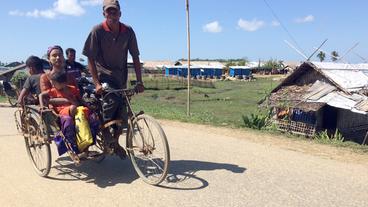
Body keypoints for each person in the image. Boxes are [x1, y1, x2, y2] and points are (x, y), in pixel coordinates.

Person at [82, 0, 144, 158]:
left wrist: (139, 81)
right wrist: (96, 83)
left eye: (115, 11)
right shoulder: (97, 31)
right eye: (109, 12)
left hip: (121, 77)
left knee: (123, 111)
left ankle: (115, 142)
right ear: (104, 14)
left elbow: (135, 56)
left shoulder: (128, 31)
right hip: (104, 76)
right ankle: (107, 135)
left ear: (120, 13)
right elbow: (90, 57)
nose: (112, 14)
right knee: (111, 102)